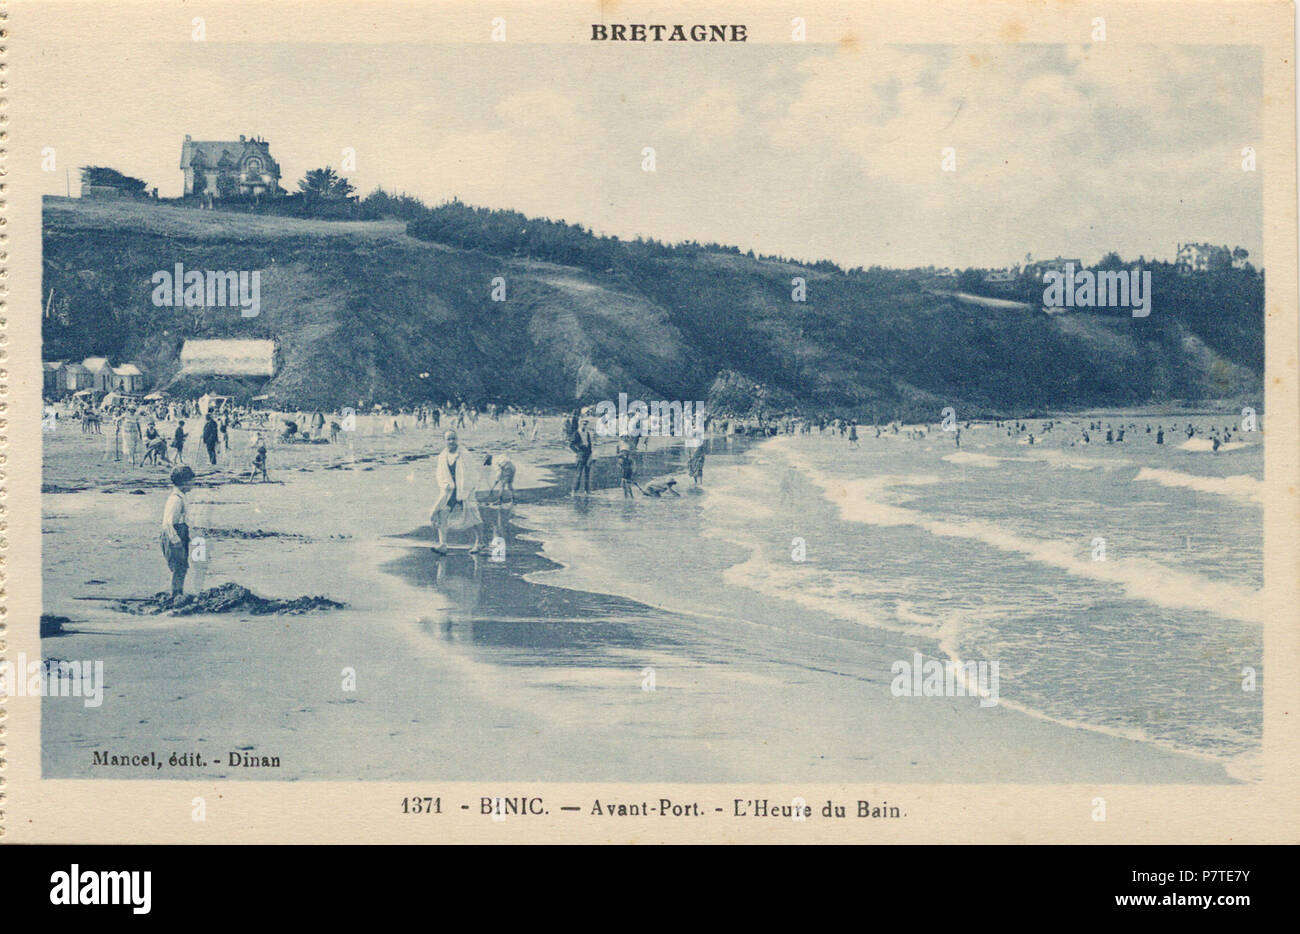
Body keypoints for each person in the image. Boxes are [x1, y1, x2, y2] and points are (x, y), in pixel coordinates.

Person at [429, 430, 482, 554]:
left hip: (465, 491)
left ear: (457, 439)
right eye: (448, 439)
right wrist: (444, 485)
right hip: (450, 492)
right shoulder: (442, 456)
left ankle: (480, 543)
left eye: (453, 439)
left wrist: (468, 490)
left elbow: (473, 474)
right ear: (445, 441)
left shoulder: (465, 454)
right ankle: (443, 545)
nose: (451, 441)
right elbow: (439, 474)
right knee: (442, 513)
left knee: (473, 516)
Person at [160, 466, 195, 599]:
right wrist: (176, 541)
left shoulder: (182, 496)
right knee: (178, 567)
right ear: (183, 482)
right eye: (191, 481)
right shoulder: (175, 499)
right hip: (173, 535)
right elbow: (168, 523)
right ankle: (175, 595)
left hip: (180, 533)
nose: (193, 484)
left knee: (182, 567)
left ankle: (178, 592)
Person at [570, 418, 594, 495]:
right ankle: (574, 490)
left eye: (586, 424)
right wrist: (578, 451)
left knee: (587, 473)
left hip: (587, 454)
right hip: (580, 454)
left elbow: (590, 445)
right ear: (580, 424)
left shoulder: (587, 433)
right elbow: (571, 445)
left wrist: (591, 455)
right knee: (578, 473)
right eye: (583, 424)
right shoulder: (576, 433)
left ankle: (586, 490)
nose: (584, 425)